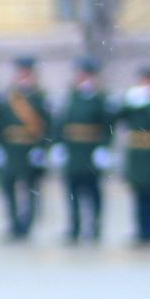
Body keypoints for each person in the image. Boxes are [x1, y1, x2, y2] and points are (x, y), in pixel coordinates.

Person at [59, 57, 112, 243]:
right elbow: (62, 122)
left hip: (91, 150)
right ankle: (74, 227)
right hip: (74, 151)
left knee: (93, 191)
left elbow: (107, 125)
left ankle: (95, 227)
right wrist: (58, 144)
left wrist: (104, 147)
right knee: (72, 191)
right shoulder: (71, 96)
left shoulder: (100, 99)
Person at [0, 57, 51, 241]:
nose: (23, 76)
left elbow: (48, 125)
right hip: (11, 148)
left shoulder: (40, 97)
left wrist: (43, 148)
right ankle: (13, 222)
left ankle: (27, 223)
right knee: (8, 185)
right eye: (21, 72)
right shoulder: (8, 97)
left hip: (31, 148)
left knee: (30, 187)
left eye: (26, 73)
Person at [118, 65, 150, 247]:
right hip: (137, 155)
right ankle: (140, 231)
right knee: (138, 193)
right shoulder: (135, 101)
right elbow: (118, 116)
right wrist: (128, 101)